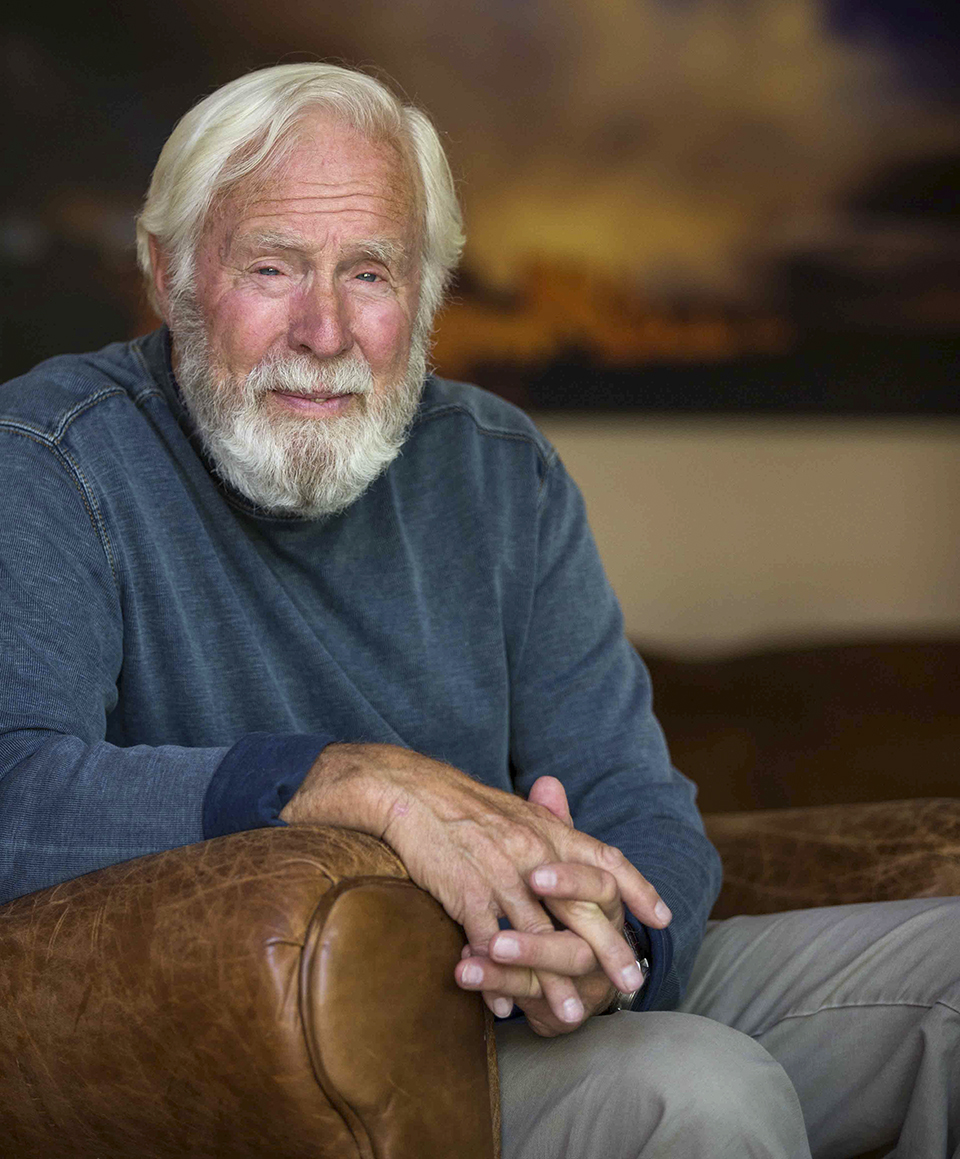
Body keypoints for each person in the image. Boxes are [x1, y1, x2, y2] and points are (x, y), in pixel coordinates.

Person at [0, 63, 956, 1159]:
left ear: (431, 289)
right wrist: (343, 778)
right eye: (271, 267)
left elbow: (636, 801)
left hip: (533, 994)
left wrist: (611, 946)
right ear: (166, 273)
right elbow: (13, 791)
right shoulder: (49, 462)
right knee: (701, 1087)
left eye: (371, 272)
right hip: (273, 1059)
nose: (325, 330)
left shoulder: (503, 468)